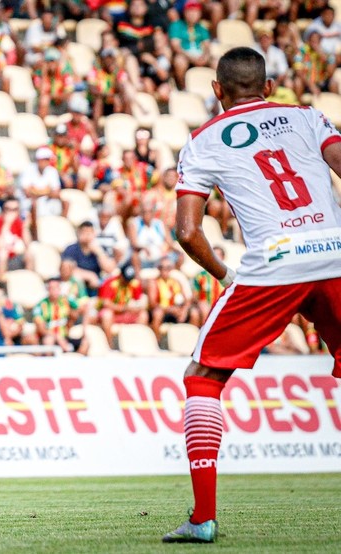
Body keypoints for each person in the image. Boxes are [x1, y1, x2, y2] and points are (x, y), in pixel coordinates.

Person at [163, 47, 341, 543]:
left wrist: (224, 275)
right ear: (268, 83)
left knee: (202, 377)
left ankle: (203, 518)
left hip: (275, 263)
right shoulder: (308, 117)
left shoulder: (203, 141)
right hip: (335, 256)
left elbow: (186, 231)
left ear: (218, 90)